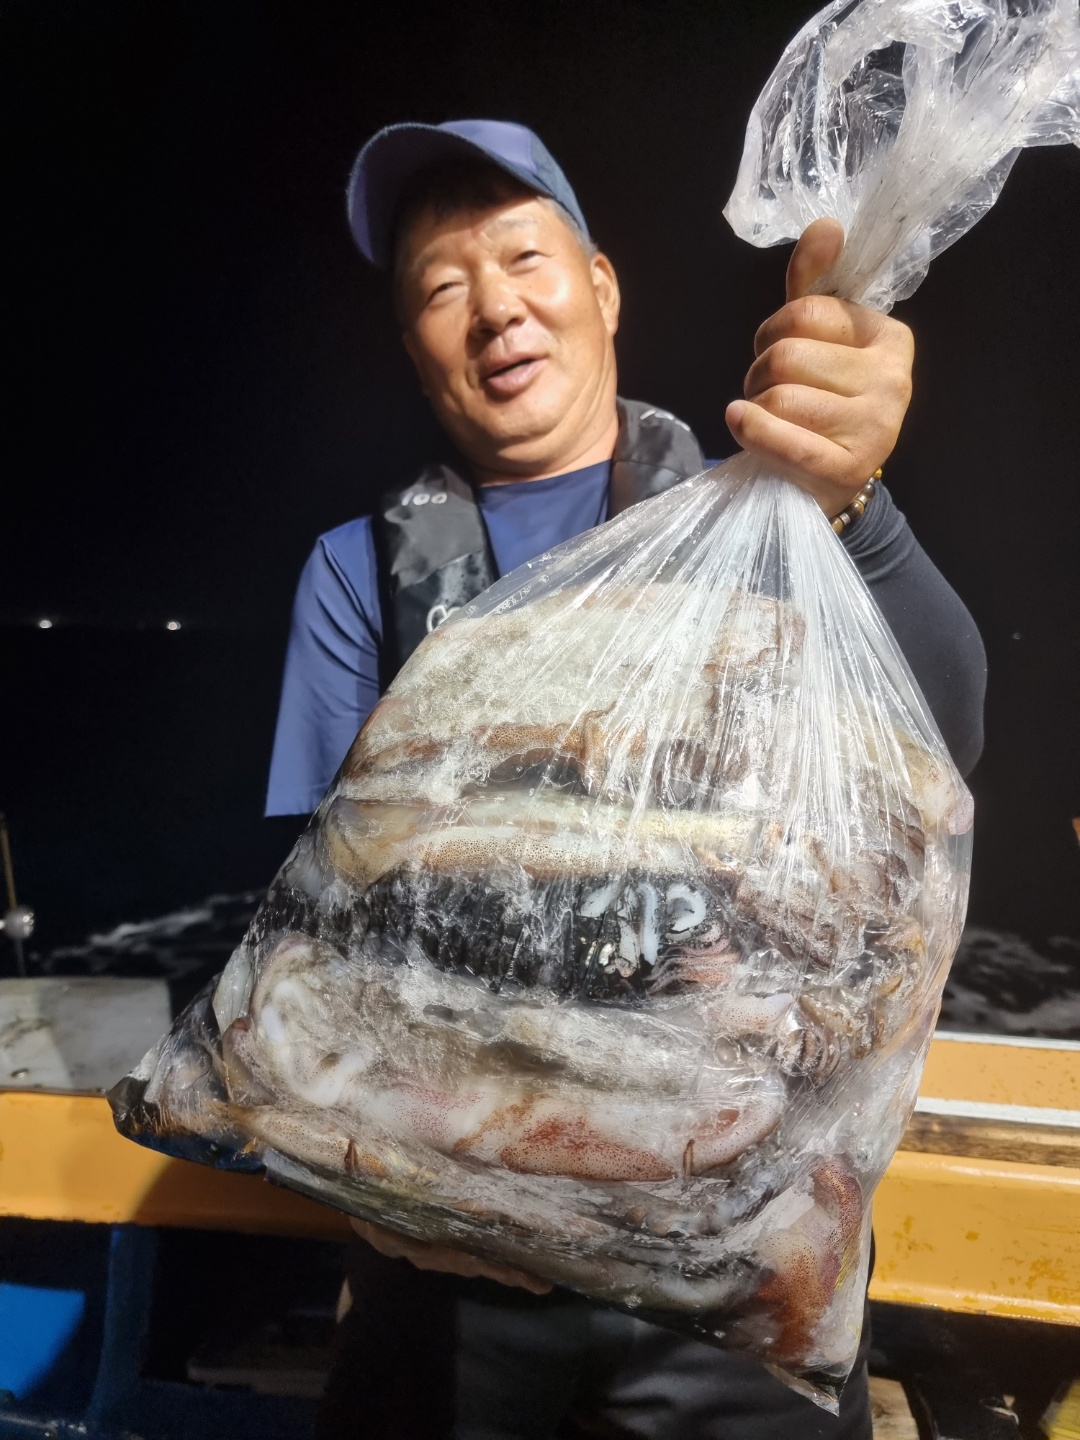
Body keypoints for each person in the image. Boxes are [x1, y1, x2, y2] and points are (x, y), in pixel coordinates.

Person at [266, 119, 986, 1440]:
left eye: (523, 258)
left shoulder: (759, 517)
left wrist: (852, 500)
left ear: (600, 287)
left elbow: (942, 729)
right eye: (440, 286)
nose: (493, 307)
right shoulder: (359, 572)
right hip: (449, 1258)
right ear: (413, 343)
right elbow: (300, 913)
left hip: (726, 1262)